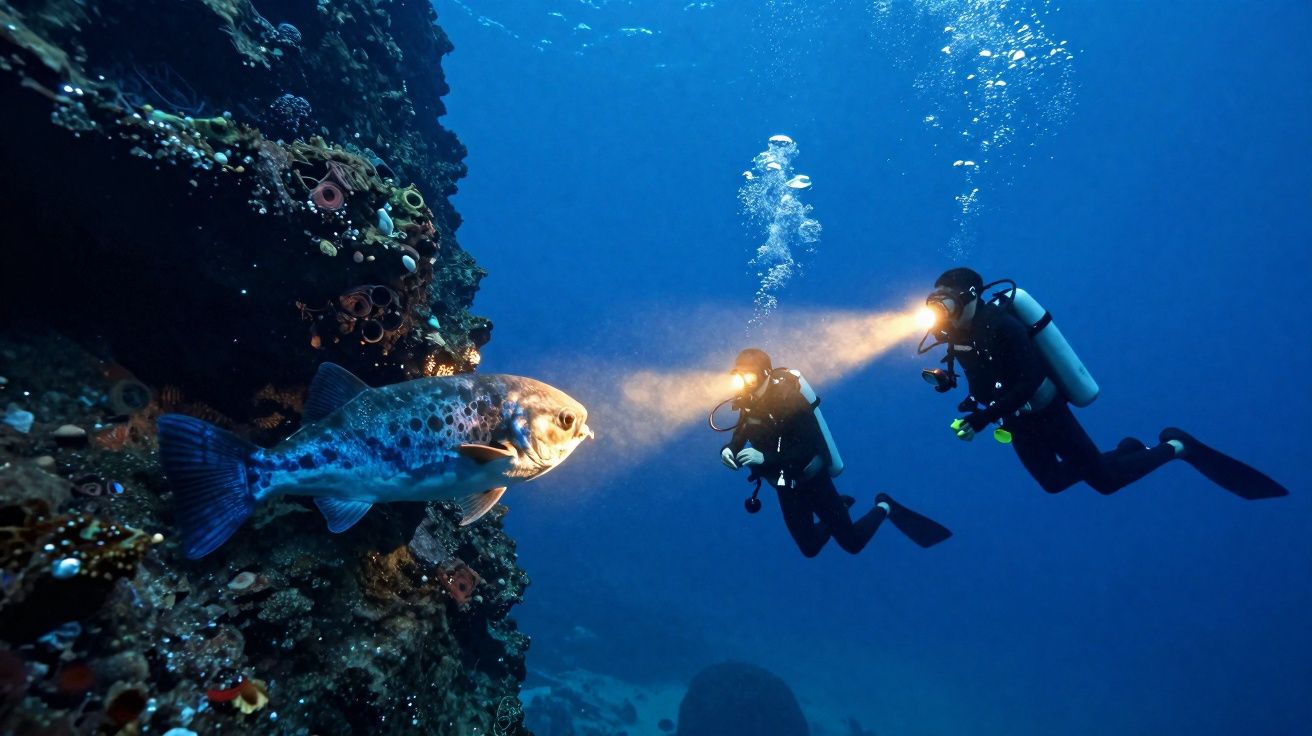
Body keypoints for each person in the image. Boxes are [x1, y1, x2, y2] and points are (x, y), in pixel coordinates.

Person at [919, 267, 1289, 500]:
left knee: (1106, 482)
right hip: (1013, 420)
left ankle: (1178, 446)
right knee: (1052, 482)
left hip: (1046, 412)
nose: (940, 310)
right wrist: (958, 391)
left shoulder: (1003, 326)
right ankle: (1129, 448)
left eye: (946, 301)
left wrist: (984, 418)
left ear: (968, 297)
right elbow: (980, 374)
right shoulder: (954, 333)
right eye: (936, 301)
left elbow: (1031, 379)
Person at [718, 348, 952, 557]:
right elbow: (742, 431)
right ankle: (841, 507)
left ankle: (885, 505)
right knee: (809, 548)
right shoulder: (748, 401)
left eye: (749, 376)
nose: (745, 382)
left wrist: (765, 457)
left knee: (852, 543)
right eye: (739, 376)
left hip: (812, 479)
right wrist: (729, 449)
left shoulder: (790, 401)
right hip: (784, 484)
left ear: (765, 374)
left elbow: (809, 447)